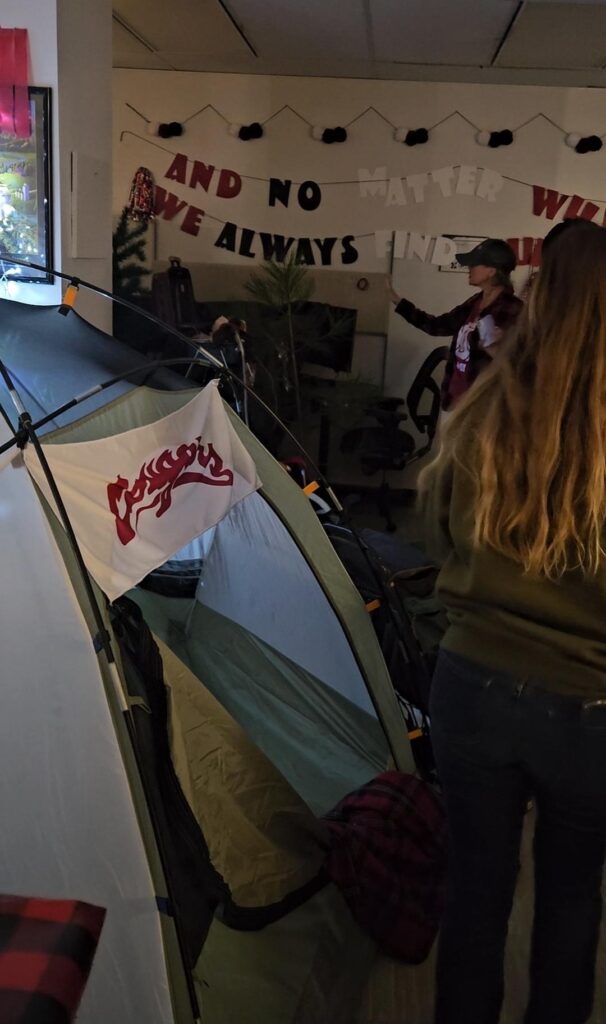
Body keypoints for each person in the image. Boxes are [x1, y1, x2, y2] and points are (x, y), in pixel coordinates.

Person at [420, 223, 606, 1024]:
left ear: (534, 294)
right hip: (589, 710)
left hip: (471, 685)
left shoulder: (486, 408)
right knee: (570, 902)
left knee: (474, 898)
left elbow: (438, 531)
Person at [388, 238, 522, 410]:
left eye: (474, 264)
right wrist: (398, 302)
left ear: (491, 271)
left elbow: (518, 364)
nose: (469, 268)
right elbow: (437, 326)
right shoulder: (475, 302)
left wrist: (497, 350)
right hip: (454, 400)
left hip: (482, 408)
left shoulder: (513, 309)